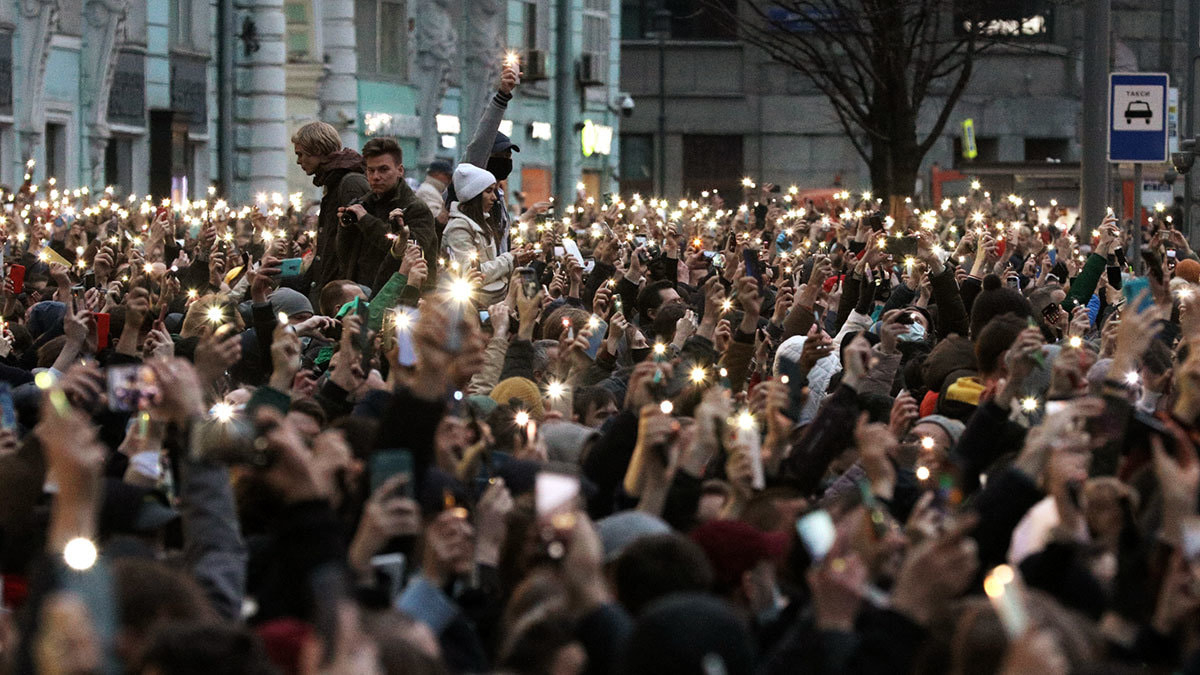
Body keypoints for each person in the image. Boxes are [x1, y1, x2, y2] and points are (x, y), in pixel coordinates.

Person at [337, 137, 438, 291]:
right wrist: (345, 227)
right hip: (363, 293)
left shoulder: (415, 209)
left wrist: (365, 220)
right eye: (371, 170)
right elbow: (344, 254)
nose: (376, 176)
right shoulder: (364, 204)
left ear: (400, 170)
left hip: (403, 296)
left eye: (383, 169)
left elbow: (409, 252)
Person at [291, 121, 369, 300]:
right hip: (333, 289)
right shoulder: (333, 181)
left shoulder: (349, 183)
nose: (298, 161)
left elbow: (356, 243)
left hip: (345, 294)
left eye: (301, 154)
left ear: (317, 149)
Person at [442, 163, 535, 304]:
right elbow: (470, 274)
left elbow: (491, 265)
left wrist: (516, 257)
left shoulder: (482, 222)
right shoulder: (459, 227)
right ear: (474, 194)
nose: (494, 197)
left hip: (493, 302)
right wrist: (510, 258)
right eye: (489, 191)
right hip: (474, 307)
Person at [417, 160, 453, 230]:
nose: (449, 179)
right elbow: (437, 219)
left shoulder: (434, 190)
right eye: (447, 175)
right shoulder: (426, 191)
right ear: (436, 173)